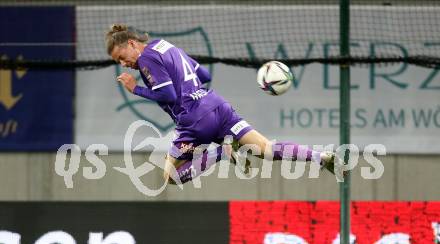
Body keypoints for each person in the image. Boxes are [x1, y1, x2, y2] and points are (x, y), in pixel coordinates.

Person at [105, 24, 338, 185]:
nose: (123, 64)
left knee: (172, 176)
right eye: (118, 62)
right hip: (216, 105)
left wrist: (135, 88)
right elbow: (203, 74)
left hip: (194, 121)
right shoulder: (165, 45)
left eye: (121, 56)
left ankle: (222, 153)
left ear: (133, 43)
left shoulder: (146, 58)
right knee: (267, 150)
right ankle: (322, 158)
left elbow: (168, 96)